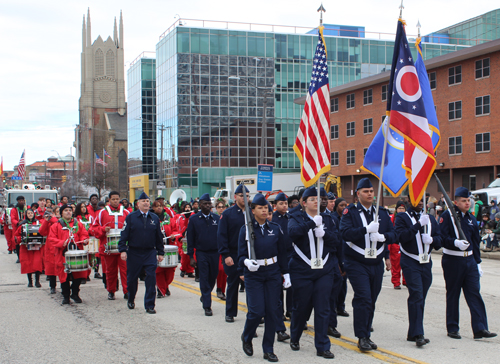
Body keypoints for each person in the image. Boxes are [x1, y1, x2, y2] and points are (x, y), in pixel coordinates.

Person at [339, 178, 396, 352]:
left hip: (376, 262)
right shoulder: (351, 212)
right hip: (356, 261)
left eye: (371, 191)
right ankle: (362, 337)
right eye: (366, 191)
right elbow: (345, 233)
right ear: (358, 194)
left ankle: (366, 334)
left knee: (371, 298)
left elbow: (394, 234)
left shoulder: (382, 213)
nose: (370, 194)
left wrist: (383, 237)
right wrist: (365, 230)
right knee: (363, 297)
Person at [439, 187, 497, 340]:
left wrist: (478, 263)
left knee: (474, 294)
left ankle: (480, 328)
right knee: (453, 294)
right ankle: (452, 327)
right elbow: (441, 239)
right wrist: (455, 242)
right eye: (464, 201)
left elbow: (476, 243)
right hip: (453, 260)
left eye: (468, 200)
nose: (467, 203)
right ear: (456, 202)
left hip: (469, 261)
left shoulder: (471, 218)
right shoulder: (448, 216)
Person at [288, 187, 339, 359]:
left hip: (324, 270)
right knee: (301, 307)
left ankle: (322, 346)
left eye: (318, 198)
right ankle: (295, 336)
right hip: (302, 270)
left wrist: (324, 233)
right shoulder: (295, 217)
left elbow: (337, 241)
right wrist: (311, 223)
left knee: (323, 307)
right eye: (312, 199)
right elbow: (292, 234)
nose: (317, 201)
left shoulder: (329, 219)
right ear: (304, 203)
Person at [238, 194, 290, 362]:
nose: (263, 211)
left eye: (266, 208)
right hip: (254, 274)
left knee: (272, 312)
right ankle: (247, 336)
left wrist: (286, 272)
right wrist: (246, 262)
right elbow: (240, 255)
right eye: (260, 208)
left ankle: (268, 349)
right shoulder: (246, 229)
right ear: (252, 211)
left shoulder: (274, 228)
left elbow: (282, 252)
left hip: (273, 272)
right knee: (256, 311)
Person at [395, 197, 442, 347]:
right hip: (410, 260)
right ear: (409, 200)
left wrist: (432, 240)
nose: (421, 202)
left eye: (423, 200)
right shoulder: (402, 217)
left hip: (426, 262)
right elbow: (401, 237)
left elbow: (440, 240)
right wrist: (417, 225)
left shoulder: (429, 218)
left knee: (420, 297)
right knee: (416, 295)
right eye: (417, 199)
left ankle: (412, 332)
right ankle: (419, 334)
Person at [118, 191, 165, 314]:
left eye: (147, 201)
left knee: (151, 278)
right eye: (143, 201)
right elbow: (124, 234)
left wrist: (161, 252)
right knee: (132, 279)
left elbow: (158, 237)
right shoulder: (131, 217)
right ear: (138, 204)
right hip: (134, 252)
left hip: (149, 252)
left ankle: (150, 305)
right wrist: (122, 250)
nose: (146, 203)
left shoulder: (154, 218)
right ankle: (131, 298)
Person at [218, 184, 249, 323]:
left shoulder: (252, 212)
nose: (245, 198)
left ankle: (254, 313)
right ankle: (230, 312)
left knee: (252, 285)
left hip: (249, 254)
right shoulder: (228, 214)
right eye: (242, 196)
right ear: (235, 197)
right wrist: (226, 255)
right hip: (233, 254)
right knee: (233, 284)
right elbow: (222, 236)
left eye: (247, 196)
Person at [47, 204, 89, 304]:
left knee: (78, 275)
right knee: (64, 276)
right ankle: (66, 296)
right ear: (61, 213)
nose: (68, 212)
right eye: (66, 210)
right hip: (63, 254)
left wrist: (84, 240)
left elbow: (84, 234)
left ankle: (75, 293)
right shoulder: (56, 226)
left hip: (76, 253)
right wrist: (62, 243)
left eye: (70, 210)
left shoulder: (77, 224)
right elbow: (51, 239)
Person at [91, 191, 130, 299]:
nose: (115, 201)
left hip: (123, 248)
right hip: (108, 247)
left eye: (117, 199)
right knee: (110, 271)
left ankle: (127, 291)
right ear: (109, 200)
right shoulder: (102, 213)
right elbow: (93, 229)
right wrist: (103, 229)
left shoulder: (126, 213)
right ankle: (111, 291)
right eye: (113, 199)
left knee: (125, 270)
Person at [187, 193, 220, 316]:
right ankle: (207, 305)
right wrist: (191, 256)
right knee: (204, 278)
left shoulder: (216, 219)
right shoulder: (194, 219)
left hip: (215, 253)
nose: (207, 206)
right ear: (200, 205)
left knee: (213, 277)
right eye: (204, 204)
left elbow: (221, 237)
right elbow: (190, 239)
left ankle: (205, 295)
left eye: (208, 204)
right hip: (201, 253)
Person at [271, 192, 293, 339]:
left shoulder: (290, 217)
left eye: (286, 203)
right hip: (277, 259)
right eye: (281, 204)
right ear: (275, 206)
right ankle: (279, 328)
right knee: (277, 295)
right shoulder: (273, 220)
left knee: (292, 288)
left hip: (291, 257)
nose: (284, 206)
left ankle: (290, 312)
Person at [152, 201, 177, 298]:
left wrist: (173, 235)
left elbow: (175, 229)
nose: (159, 208)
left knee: (170, 270)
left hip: (168, 247)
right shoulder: (151, 218)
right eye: (156, 206)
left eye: (160, 206)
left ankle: (165, 286)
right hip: (156, 248)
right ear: (153, 208)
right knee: (159, 270)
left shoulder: (168, 218)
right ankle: (160, 289)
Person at [15, 209, 43, 287]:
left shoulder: (38, 223)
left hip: (37, 247)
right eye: (28, 213)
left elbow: (43, 232)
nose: (30, 214)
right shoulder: (22, 224)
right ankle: (30, 281)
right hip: (26, 248)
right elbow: (17, 235)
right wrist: (20, 239)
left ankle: (37, 281)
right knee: (28, 264)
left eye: (31, 213)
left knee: (37, 263)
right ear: (26, 215)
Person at [331, 198, 349, 318]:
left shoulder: (347, 219)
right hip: (336, 254)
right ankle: (334, 307)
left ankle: (341, 307)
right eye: (341, 205)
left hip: (346, 254)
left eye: (345, 205)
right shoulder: (333, 219)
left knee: (344, 285)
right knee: (336, 284)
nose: (343, 208)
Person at [39, 207, 59, 293]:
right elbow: (42, 232)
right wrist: (46, 221)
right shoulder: (48, 222)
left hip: (60, 245)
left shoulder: (61, 221)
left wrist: (53, 219)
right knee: (51, 268)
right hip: (50, 246)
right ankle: (52, 286)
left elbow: (59, 225)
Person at [173, 202, 196, 278]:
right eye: (186, 207)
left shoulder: (194, 216)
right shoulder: (180, 217)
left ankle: (190, 271)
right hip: (184, 240)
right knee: (184, 256)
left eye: (189, 207)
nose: (187, 209)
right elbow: (177, 228)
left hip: (192, 239)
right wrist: (179, 237)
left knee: (191, 255)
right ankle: (183, 269)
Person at [389, 201, 407, 289]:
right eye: (399, 208)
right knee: (396, 264)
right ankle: (396, 282)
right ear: (396, 209)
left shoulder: (408, 218)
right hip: (395, 244)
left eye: (403, 208)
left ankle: (406, 280)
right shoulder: (392, 218)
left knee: (406, 264)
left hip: (405, 243)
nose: (401, 210)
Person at [11, 196, 27, 263]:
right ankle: (19, 257)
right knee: (17, 242)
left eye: (22, 200)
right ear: (17, 201)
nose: (21, 202)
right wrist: (18, 223)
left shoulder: (26, 208)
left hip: (25, 227)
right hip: (17, 228)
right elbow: (12, 219)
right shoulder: (14, 210)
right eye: (20, 200)